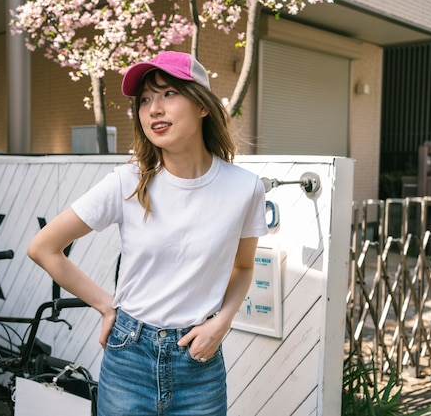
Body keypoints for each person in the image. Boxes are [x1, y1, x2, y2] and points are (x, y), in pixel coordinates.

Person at [27, 50, 268, 415]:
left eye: (169, 94)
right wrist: (106, 306)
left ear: (202, 105)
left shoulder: (245, 188)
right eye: (145, 100)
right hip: (129, 359)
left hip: (199, 363)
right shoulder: (128, 182)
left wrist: (223, 322)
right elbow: (44, 247)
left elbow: (243, 268)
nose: (154, 109)